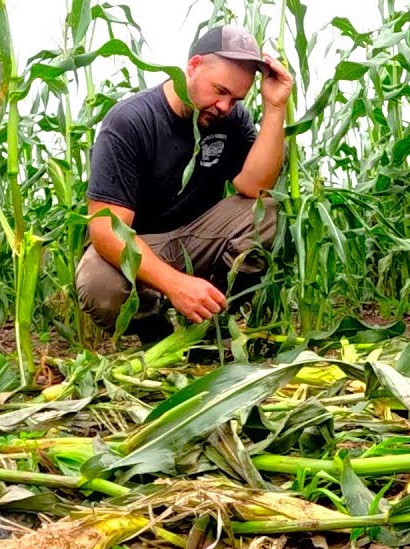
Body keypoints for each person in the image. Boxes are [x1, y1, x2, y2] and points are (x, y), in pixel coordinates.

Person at [76, 25, 293, 342]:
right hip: (141, 246)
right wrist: (176, 286)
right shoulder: (130, 121)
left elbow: (256, 190)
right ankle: (158, 334)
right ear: (193, 67)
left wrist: (275, 108)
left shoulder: (230, 118)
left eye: (236, 99)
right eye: (220, 91)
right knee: (99, 284)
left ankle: (210, 328)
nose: (225, 107)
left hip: (197, 240)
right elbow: (106, 230)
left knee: (268, 214)